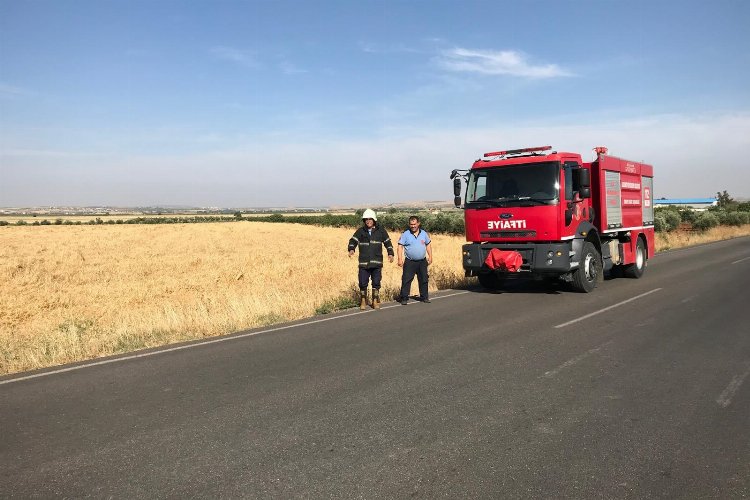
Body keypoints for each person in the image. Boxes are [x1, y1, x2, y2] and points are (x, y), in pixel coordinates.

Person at [348, 209, 394, 310]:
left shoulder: (381, 231)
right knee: (362, 282)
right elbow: (353, 240)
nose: (368, 221)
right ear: (364, 220)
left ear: (374, 220)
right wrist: (351, 249)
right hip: (364, 263)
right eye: (366, 219)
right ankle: (363, 300)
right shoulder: (360, 231)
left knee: (376, 282)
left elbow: (388, 243)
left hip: (377, 262)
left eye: (370, 219)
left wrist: (390, 254)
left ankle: (374, 300)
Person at [397, 215, 432, 305]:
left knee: (424, 279)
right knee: (406, 279)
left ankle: (424, 297)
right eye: (411, 224)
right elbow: (400, 246)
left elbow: (428, 245)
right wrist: (400, 259)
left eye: (414, 224)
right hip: (410, 261)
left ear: (418, 224)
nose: (413, 226)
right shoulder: (405, 234)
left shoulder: (424, 234)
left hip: (422, 261)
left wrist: (430, 256)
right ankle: (404, 297)